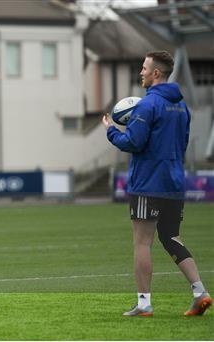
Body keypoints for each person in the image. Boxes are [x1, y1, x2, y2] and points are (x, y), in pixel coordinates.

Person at [103, 51, 212, 316]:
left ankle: (144, 304)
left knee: (142, 242)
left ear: (156, 73)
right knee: (171, 237)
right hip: (174, 182)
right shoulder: (181, 107)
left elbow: (133, 143)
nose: (140, 72)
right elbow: (183, 143)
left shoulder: (147, 105)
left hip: (148, 183)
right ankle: (200, 293)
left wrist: (111, 131)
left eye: (143, 68)